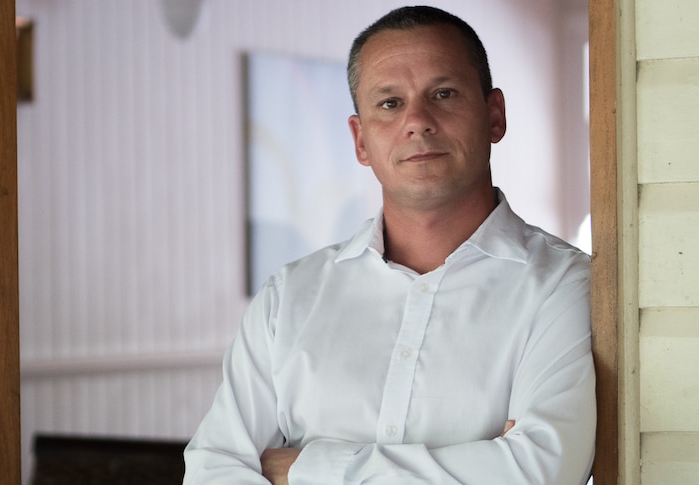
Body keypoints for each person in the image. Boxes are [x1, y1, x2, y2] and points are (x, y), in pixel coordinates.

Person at [183, 5, 595, 484]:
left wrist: (306, 469)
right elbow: (213, 472)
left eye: (443, 93)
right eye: (389, 103)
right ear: (361, 141)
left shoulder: (565, 286)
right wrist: (484, 463)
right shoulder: (288, 297)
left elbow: (541, 472)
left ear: (494, 115)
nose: (417, 120)